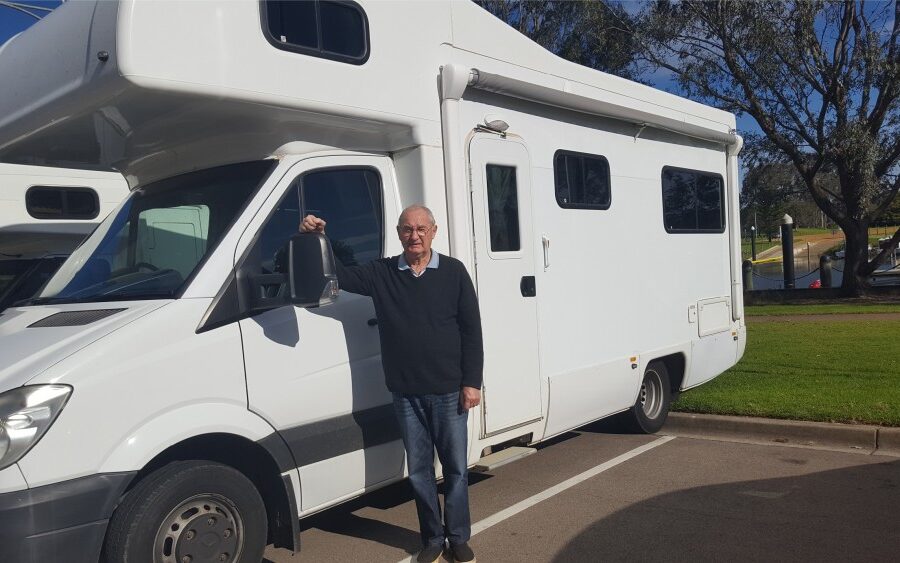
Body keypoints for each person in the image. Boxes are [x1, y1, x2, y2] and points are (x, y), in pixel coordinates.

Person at [299, 205, 483, 563]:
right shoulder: (382, 272)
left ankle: (458, 537)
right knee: (419, 473)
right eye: (407, 229)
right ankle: (432, 539)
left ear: (434, 231)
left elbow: (471, 330)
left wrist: (471, 382)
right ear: (399, 233)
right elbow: (341, 276)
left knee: (456, 470)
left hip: (449, 391)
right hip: (406, 394)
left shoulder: (454, 272)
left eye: (421, 229)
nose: (414, 236)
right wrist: (318, 239)